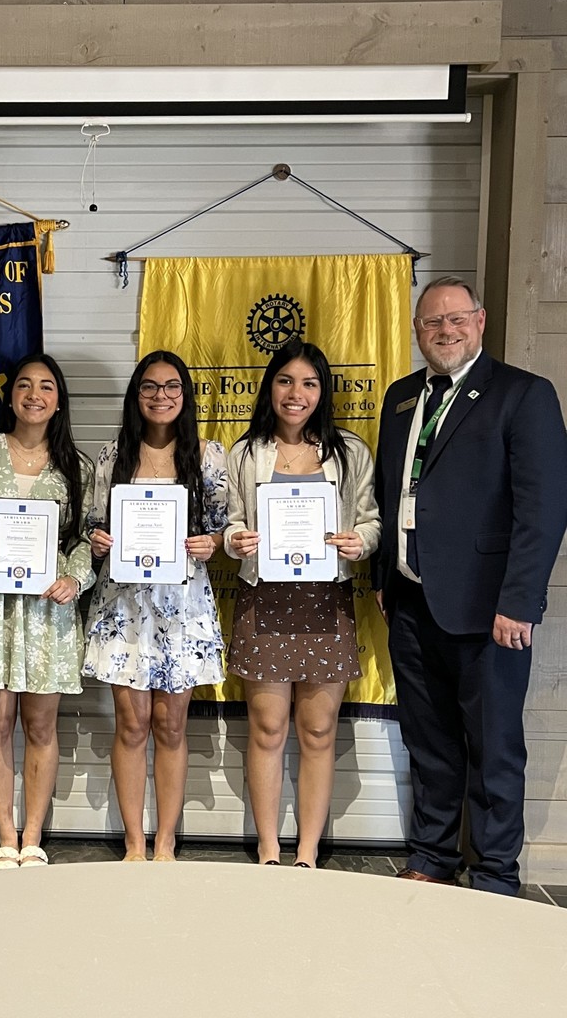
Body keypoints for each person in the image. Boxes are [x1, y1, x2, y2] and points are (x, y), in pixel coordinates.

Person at [374, 276, 567, 895]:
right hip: (409, 600)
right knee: (428, 741)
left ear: (480, 322)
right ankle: (431, 855)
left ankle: (493, 875)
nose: (445, 331)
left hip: (489, 610)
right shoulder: (404, 397)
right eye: (432, 323)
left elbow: (543, 509)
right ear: (417, 332)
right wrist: (384, 579)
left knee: (494, 748)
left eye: (456, 319)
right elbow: (390, 492)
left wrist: (520, 601)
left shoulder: (523, 395)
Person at [224, 338, 381, 867]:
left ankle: (309, 852)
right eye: (286, 381)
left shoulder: (350, 451)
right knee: (268, 727)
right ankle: (269, 848)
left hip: (325, 600)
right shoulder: (245, 452)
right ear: (271, 387)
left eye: (309, 383)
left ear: (323, 391)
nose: (297, 394)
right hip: (263, 598)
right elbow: (229, 522)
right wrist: (235, 540)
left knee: (318, 730)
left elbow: (371, 520)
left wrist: (361, 541)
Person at [0, 354, 95, 869]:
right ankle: (5, 838)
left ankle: (33, 838)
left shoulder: (79, 465)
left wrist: (75, 577)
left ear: (59, 399)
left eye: (47, 386)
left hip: (47, 613)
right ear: (10, 396)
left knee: (41, 723)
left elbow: (84, 541)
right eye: (25, 385)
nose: (35, 394)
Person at [84, 350, 228, 862]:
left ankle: (166, 842)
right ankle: (134, 843)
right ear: (135, 395)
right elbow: (88, 525)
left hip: (182, 606)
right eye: (149, 387)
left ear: (184, 395)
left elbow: (222, 526)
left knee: (171, 724)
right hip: (124, 605)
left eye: (171, 387)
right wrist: (98, 542)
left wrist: (211, 543)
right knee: (130, 723)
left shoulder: (208, 456)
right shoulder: (111, 456)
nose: (160, 396)